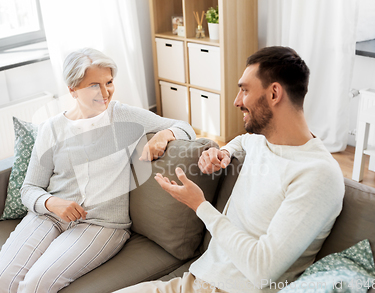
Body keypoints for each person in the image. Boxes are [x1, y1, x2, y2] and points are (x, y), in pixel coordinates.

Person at [115, 46, 345, 293]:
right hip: (195, 281)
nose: (237, 101)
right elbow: (242, 141)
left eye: (245, 90)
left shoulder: (317, 175)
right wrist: (223, 153)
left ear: (274, 93)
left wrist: (200, 206)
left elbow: (262, 270)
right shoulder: (262, 141)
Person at [0, 48, 196, 293]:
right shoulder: (51, 129)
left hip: (101, 225)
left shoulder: (123, 116)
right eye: (94, 86)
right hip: (48, 216)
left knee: (35, 285)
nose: (105, 92)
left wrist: (164, 135)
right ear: (72, 89)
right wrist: (52, 203)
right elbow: (29, 188)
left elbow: (184, 127)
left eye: (108, 82)